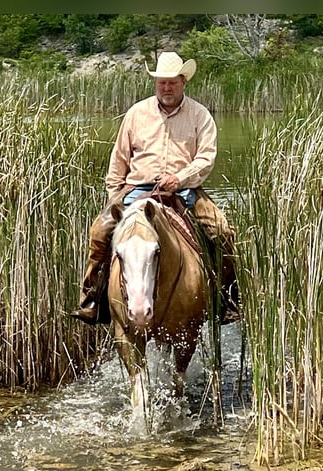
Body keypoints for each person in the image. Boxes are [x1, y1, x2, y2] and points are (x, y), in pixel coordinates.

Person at [69, 51, 239, 326]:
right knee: (99, 231)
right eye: (161, 82)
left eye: (172, 82)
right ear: (155, 83)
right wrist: (116, 198)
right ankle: (92, 298)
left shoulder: (200, 115)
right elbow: (119, 160)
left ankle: (225, 299)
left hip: (184, 191)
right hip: (137, 189)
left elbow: (206, 158)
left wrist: (180, 178)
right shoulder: (137, 113)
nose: (166, 87)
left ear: (183, 81)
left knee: (222, 232)